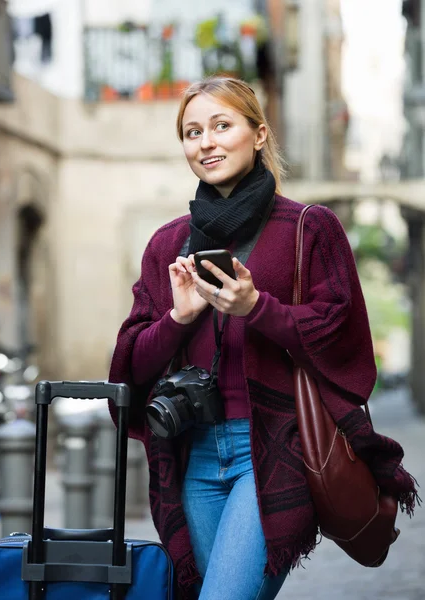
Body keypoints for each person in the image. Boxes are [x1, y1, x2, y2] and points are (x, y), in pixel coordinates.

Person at [108, 76, 418, 600]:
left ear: (258, 135)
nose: (205, 142)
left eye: (221, 125)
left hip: (273, 451)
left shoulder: (307, 229)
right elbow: (129, 365)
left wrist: (258, 309)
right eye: (191, 132)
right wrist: (177, 320)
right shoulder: (167, 243)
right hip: (192, 455)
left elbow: (340, 333)